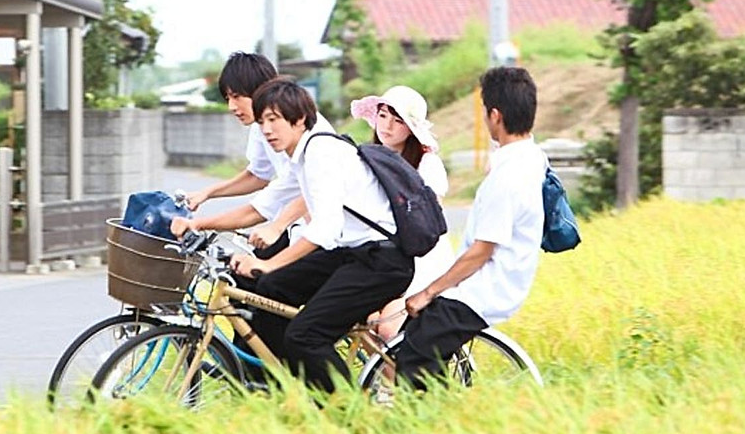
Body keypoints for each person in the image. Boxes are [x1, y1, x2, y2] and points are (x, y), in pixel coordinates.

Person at [227, 78, 414, 394]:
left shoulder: (320, 153)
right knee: (271, 290)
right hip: (354, 252)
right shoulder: (301, 155)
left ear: (299, 120)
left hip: (383, 261)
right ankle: (283, 387)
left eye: (274, 120)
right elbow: (265, 205)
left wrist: (270, 263)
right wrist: (198, 224)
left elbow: (324, 229)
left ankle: (347, 410)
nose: (267, 130)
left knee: (305, 334)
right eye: (261, 123)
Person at [397, 66, 546, 390]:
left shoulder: (507, 177)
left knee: (413, 353)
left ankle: (424, 422)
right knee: (417, 334)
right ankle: (438, 406)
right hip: (494, 283)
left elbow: (480, 252)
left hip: (484, 290)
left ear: (494, 115)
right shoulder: (531, 158)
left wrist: (428, 291)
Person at [175, 55, 332, 258]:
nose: (231, 107)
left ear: (263, 90)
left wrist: (197, 224)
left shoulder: (305, 131)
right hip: (297, 227)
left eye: (237, 96)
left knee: (265, 279)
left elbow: (307, 192)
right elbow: (258, 175)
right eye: (227, 98)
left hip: (326, 234)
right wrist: (207, 193)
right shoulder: (262, 126)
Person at [349, 85, 452, 342]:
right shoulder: (364, 159)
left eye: (398, 121)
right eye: (383, 116)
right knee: (361, 323)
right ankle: (378, 381)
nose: (387, 126)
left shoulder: (427, 164)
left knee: (386, 329)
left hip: (422, 259)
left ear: (411, 129)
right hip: (381, 256)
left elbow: (427, 219)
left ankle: (399, 383)